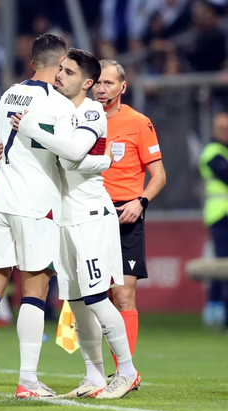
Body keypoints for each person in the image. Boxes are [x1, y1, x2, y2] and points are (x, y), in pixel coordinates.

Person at [11, 48, 140, 399]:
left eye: (67, 72)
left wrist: (32, 129)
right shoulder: (59, 110)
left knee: (98, 298)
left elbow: (72, 152)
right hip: (63, 218)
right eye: (60, 69)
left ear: (86, 82)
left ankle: (126, 371)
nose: (58, 75)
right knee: (78, 302)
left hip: (90, 217)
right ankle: (95, 376)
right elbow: (68, 158)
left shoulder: (93, 111)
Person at [0, 33, 76, 399]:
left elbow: (0, 145)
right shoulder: (60, 104)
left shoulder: (8, 94)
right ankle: (27, 379)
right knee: (34, 290)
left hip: (0, 198)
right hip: (36, 202)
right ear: (59, 65)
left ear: (32, 62)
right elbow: (68, 156)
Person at [92, 60, 166, 368]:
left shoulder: (139, 122)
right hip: (91, 213)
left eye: (108, 83)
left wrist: (141, 202)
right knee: (95, 297)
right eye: (97, 82)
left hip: (126, 214)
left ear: (122, 87)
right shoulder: (81, 118)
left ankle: (125, 371)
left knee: (123, 295)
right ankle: (94, 370)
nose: (101, 88)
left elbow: (159, 175)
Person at [199, 112, 228, 330]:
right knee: (221, 264)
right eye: (222, 129)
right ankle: (217, 311)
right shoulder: (212, 153)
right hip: (220, 215)